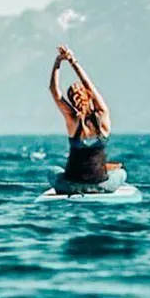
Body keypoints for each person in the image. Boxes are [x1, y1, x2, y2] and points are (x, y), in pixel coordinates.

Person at [48, 45, 126, 193]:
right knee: (121, 173)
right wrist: (72, 61)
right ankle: (104, 170)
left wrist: (58, 61)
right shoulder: (102, 116)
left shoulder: (72, 120)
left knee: (52, 171)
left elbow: (54, 90)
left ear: (72, 101)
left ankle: (102, 169)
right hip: (101, 185)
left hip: (71, 186)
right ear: (89, 96)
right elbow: (89, 84)